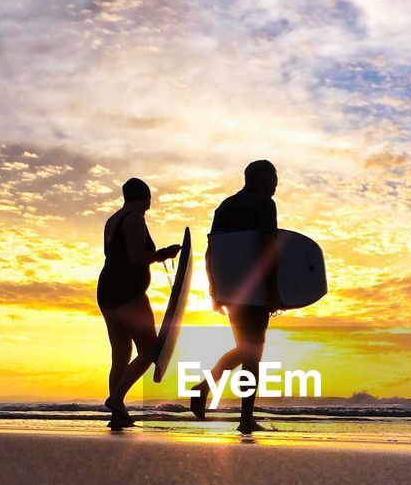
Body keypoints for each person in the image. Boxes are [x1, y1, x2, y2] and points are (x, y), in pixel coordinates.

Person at [190, 160, 280, 434]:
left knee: (246, 348)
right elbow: (267, 247)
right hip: (254, 288)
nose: (276, 187)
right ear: (263, 180)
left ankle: (206, 388)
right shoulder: (265, 205)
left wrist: (213, 288)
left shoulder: (225, 206)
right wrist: (273, 290)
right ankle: (244, 417)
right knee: (252, 353)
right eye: (274, 181)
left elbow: (212, 250)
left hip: (231, 287)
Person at [97, 178, 181, 429]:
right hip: (128, 293)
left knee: (120, 357)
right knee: (149, 351)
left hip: (108, 292)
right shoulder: (134, 219)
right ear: (145, 197)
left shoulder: (113, 219)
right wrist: (162, 254)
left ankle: (117, 416)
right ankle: (116, 400)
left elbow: (115, 255)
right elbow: (135, 258)